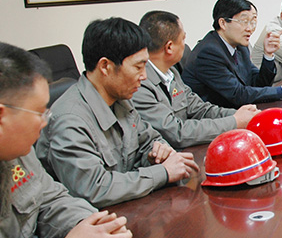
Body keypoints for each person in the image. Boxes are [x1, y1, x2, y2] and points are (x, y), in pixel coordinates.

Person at [0, 42, 132, 238]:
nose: (45, 122)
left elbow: (50, 198)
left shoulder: (17, 151)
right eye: (39, 113)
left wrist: (89, 224)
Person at [37, 18, 199, 208]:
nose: (144, 76)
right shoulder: (69, 119)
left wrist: (159, 153)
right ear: (105, 66)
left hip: (130, 207)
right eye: (138, 67)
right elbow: (94, 188)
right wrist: (162, 172)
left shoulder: (120, 100)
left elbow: (149, 139)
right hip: (95, 218)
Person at [133, 11, 259, 149]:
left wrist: (245, 115)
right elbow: (177, 132)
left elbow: (200, 109)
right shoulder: (139, 85)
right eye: (183, 39)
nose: (185, 45)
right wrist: (234, 122)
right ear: (169, 47)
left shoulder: (171, 72)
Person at [183, 0, 282, 107]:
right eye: (244, 21)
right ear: (223, 23)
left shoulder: (240, 47)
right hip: (217, 117)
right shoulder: (209, 52)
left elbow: (257, 83)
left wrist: (268, 54)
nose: (250, 29)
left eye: (253, 22)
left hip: (239, 109)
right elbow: (238, 94)